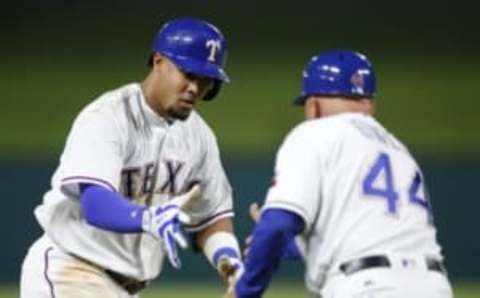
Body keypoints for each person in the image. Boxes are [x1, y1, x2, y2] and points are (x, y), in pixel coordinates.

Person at [20, 17, 243, 298]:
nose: (195, 88)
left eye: (206, 80)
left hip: (124, 288)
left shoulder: (199, 136)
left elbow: (212, 218)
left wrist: (231, 265)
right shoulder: (108, 116)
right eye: (188, 74)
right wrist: (148, 218)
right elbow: (95, 203)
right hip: (71, 271)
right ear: (158, 61)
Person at [230, 50, 453, 298]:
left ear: (313, 105)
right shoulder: (400, 151)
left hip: (368, 287)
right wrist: (295, 244)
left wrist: (245, 290)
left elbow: (278, 224)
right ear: (369, 103)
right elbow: (378, 230)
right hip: (435, 286)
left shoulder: (313, 133)